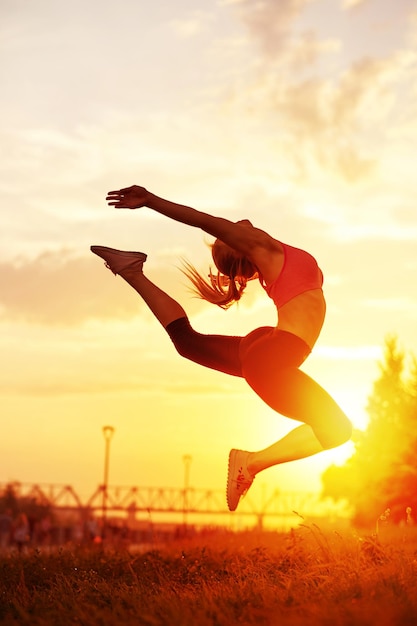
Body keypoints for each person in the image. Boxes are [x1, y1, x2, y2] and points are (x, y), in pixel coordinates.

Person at [91, 185, 352, 512]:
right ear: (239, 245)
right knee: (338, 430)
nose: (238, 222)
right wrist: (151, 200)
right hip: (273, 356)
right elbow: (204, 220)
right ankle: (251, 463)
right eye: (228, 232)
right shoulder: (261, 247)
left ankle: (131, 271)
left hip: (268, 348)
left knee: (188, 343)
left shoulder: (271, 254)